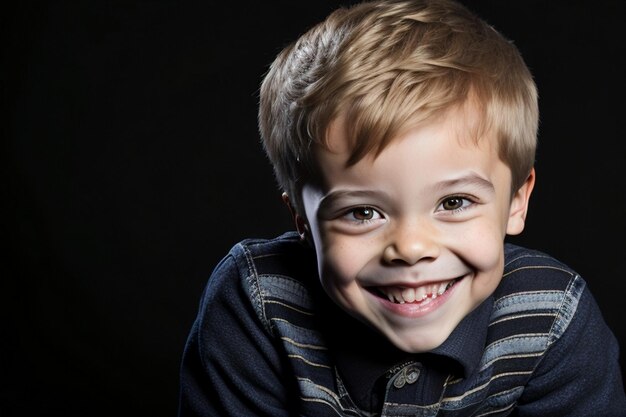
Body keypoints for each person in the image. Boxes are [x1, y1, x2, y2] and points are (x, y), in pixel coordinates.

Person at [177, 0, 626, 415]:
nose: (411, 249)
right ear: (302, 220)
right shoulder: (255, 303)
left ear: (515, 201)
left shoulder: (552, 319)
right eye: (362, 212)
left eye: (454, 202)